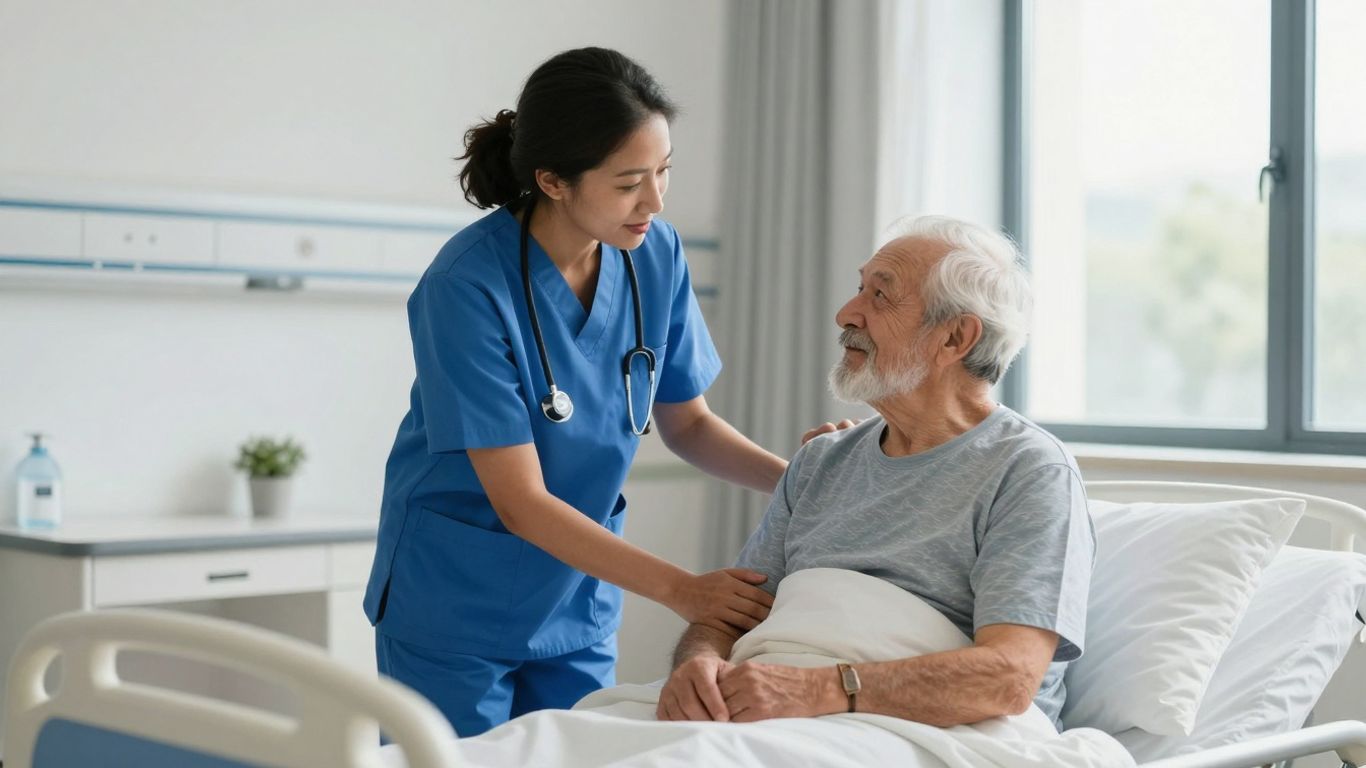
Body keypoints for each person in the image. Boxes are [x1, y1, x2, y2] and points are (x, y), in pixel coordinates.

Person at [362, 47, 852, 738]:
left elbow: (689, 425)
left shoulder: (655, 254)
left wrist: (804, 483)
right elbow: (521, 501)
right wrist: (685, 592)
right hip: (456, 601)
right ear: (554, 181)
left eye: (663, 172)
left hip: (575, 596)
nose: (653, 200)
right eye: (628, 183)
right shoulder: (466, 287)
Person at [657, 215, 1095, 730]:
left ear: (954, 338)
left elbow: (1008, 677)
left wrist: (817, 688)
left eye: (880, 296)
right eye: (858, 288)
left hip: (924, 730)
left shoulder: (1030, 471)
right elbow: (727, 618)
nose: (847, 313)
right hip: (771, 709)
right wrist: (697, 667)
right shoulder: (822, 460)